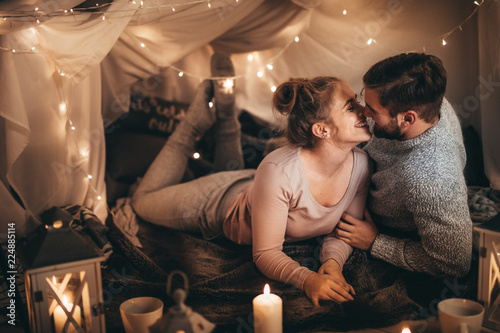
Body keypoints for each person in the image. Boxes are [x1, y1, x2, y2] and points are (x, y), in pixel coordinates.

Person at [132, 53, 373, 307]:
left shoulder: (362, 166)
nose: (364, 110)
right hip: (218, 203)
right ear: (321, 130)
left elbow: (345, 232)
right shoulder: (279, 170)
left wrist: (333, 264)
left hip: (260, 187)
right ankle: (194, 124)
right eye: (350, 106)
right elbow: (266, 253)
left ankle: (226, 114)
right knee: (140, 202)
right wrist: (307, 279)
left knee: (236, 170)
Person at [335, 53, 472, 278]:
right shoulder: (427, 98)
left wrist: (375, 242)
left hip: (386, 228)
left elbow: (455, 263)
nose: (364, 112)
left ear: (408, 119)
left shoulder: (430, 180)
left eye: (372, 110)